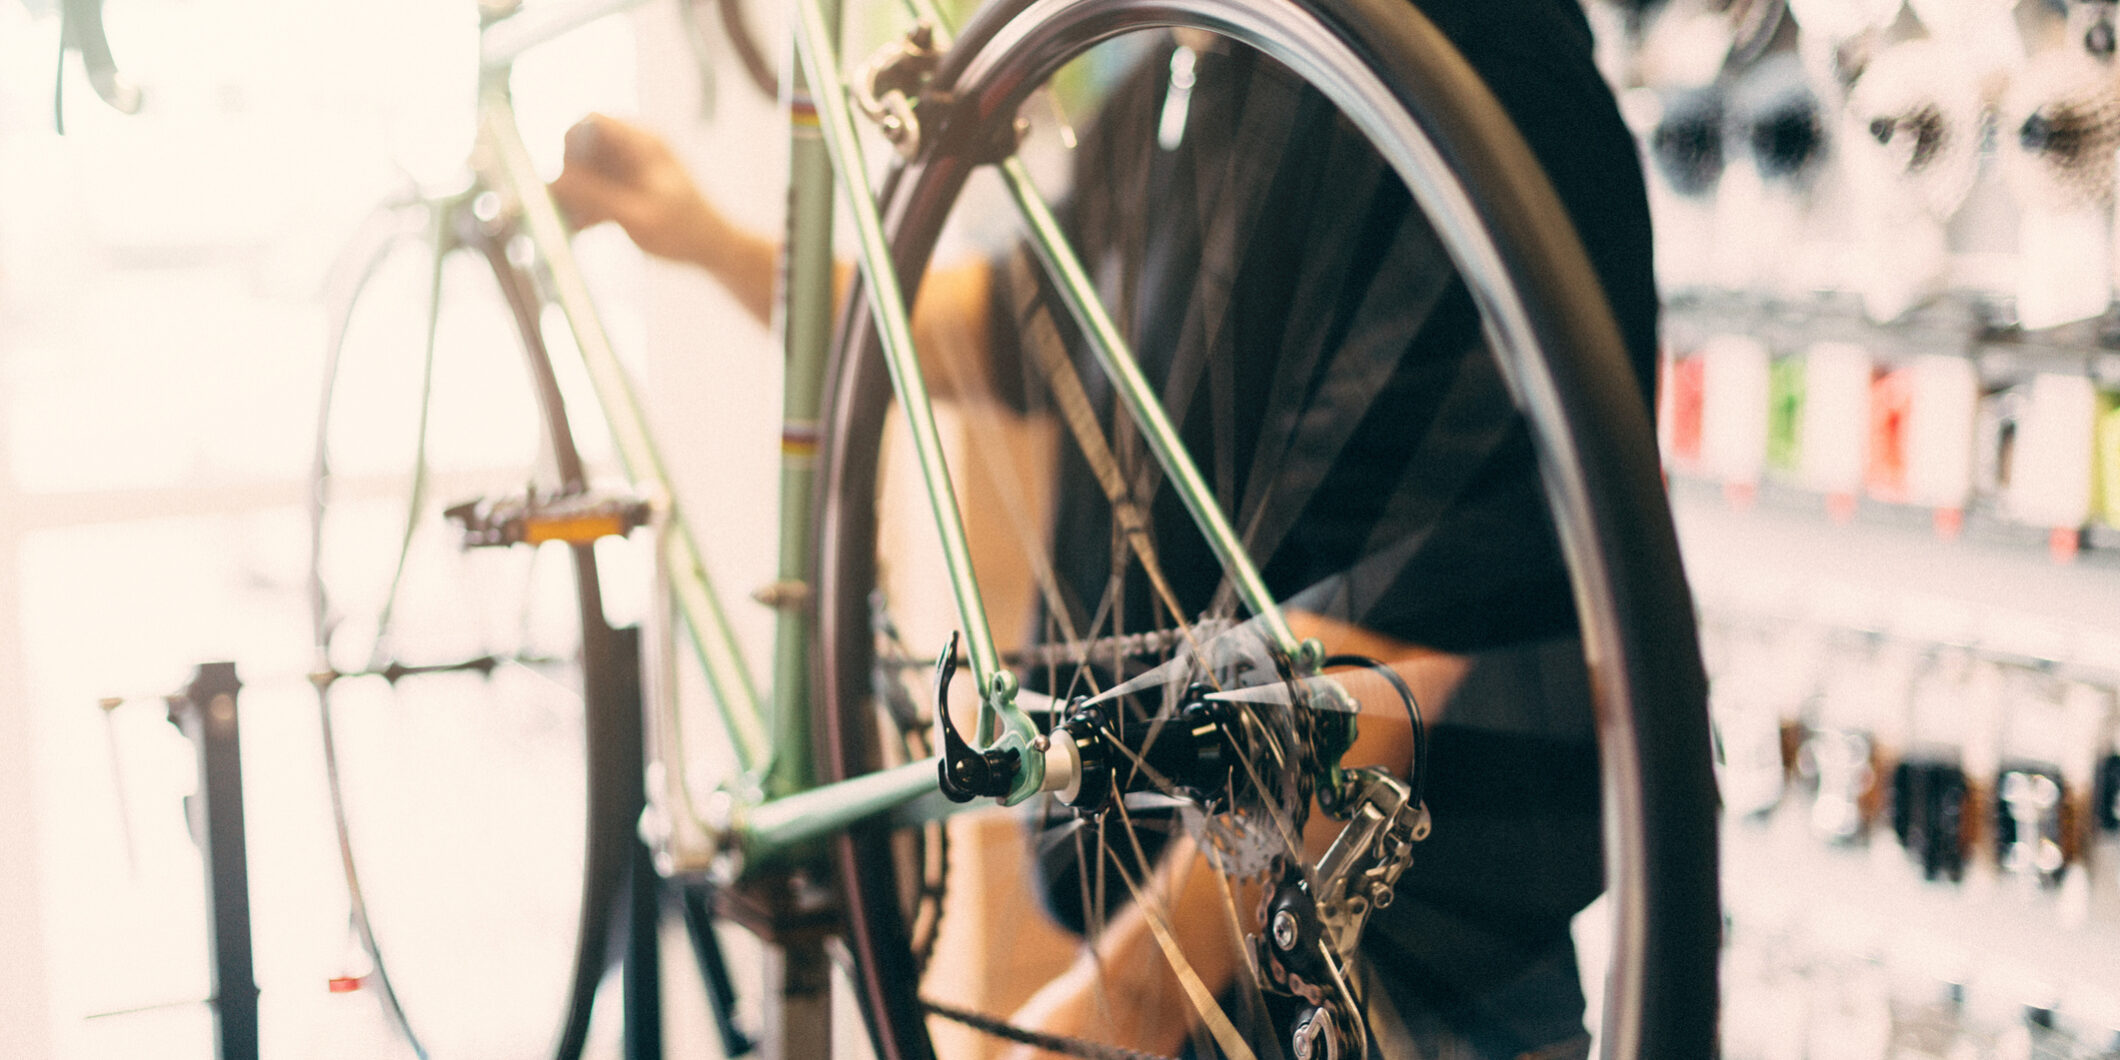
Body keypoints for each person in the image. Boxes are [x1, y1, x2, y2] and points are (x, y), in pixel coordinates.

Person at [552, 0, 1655, 1055]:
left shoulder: (1471, 72)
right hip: (1188, 957)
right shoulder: (1190, 64)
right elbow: (1009, 330)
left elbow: (1424, 632)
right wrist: (705, 239)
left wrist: (1094, 1014)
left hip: (1399, 988)